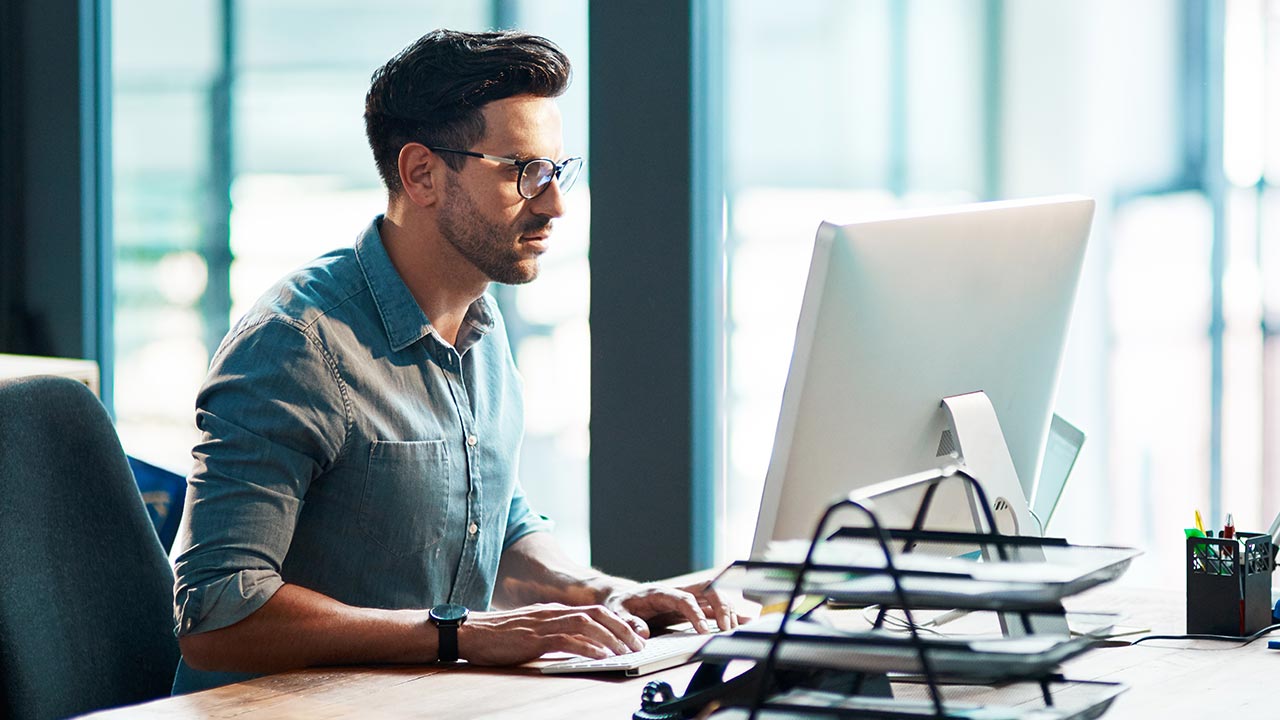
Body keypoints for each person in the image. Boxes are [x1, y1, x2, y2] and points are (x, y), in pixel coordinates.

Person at [169, 28, 739, 694]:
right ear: (423, 174)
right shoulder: (295, 345)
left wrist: (599, 593)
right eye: (523, 171)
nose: (554, 202)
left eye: (557, 170)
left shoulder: (484, 328)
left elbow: (492, 519)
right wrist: (457, 634)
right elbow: (215, 615)